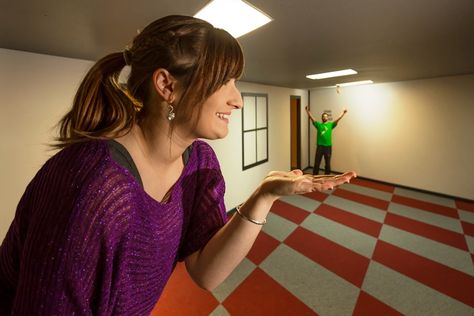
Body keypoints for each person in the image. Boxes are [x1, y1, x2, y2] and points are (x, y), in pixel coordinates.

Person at [0, 15, 356, 315]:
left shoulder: (198, 163)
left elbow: (205, 272)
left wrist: (263, 196)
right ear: (167, 86)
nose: (237, 100)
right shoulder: (90, 182)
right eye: (224, 82)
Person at [306, 106, 347, 175]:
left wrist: (343, 113)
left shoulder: (330, 125)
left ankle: (327, 178)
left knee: (327, 164)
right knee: (317, 163)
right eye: (323, 116)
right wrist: (307, 111)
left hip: (328, 147)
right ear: (322, 118)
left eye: (326, 116)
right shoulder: (319, 125)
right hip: (320, 147)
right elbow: (312, 119)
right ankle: (315, 177)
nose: (325, 117)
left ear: (327, 118)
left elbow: (338, 119)